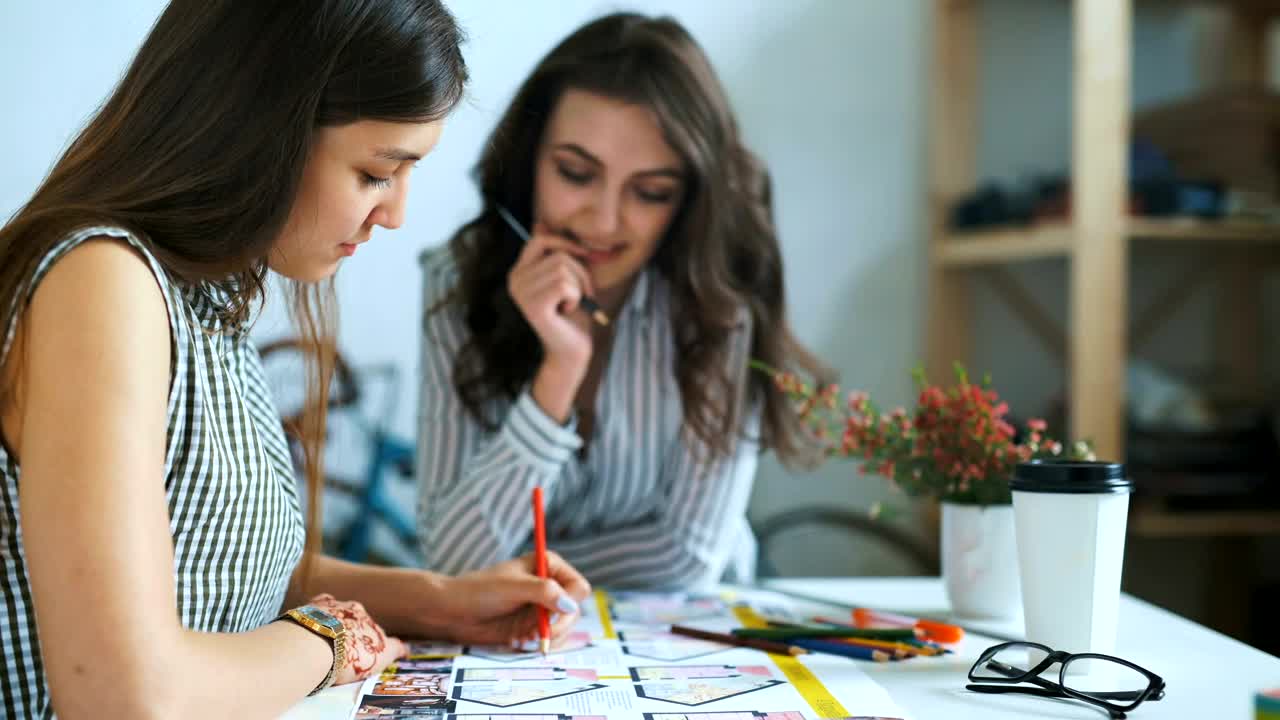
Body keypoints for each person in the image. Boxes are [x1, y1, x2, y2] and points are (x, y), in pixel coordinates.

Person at [0, 2, 588, 718]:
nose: (396, 213)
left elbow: (225, 575)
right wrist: (329, 643)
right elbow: (123, 695)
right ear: (256, 128)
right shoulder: (105, 283)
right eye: (377, 173)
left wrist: (442, 603)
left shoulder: (208, 295)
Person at [417, 12, 826, 590]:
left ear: (688, 197)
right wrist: (558, 376)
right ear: (529, 159)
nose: (604, 221)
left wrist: (519, 569)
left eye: (651, 192)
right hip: (518, 647)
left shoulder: (722, 292)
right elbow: (451, 564)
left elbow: (689, 554)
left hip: (690, 638)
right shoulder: (456, 282)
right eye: (576, 173)